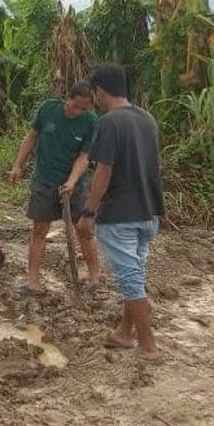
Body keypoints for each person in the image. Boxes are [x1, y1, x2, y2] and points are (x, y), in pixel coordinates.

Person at [78, 63, 164, 362]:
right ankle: (125, 334)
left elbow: (104, 171)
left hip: (120, 214)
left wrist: (89, 212)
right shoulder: (147, 119)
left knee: (129, 279)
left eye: (95, 94)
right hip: (149, 211)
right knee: (135, 274)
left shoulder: (109, 122)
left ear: (99, 90)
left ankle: (148, 345)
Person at [9, 82, 104, 296]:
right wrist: (18, 165)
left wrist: (71, 181)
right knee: (39, 230)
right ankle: (32, 279)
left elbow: (84, 156)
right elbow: (32, 137)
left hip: (76, 185)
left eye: (84, 108)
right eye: (75, 106)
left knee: (85, 230)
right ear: (67, 99)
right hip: (44, 180)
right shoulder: (47, 109)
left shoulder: (91, 122)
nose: (79, 111)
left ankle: (94, 277)